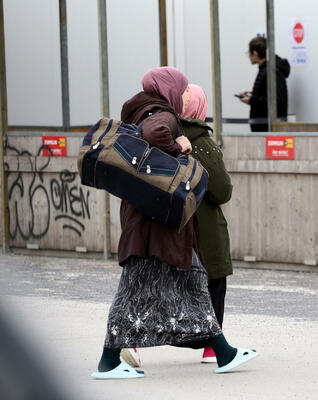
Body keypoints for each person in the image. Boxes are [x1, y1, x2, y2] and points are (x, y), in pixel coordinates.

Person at [91, 67, 257, 379]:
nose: (183, 98)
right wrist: (180, 145)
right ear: (167, 90)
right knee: (135, 290)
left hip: (150, 218)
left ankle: (223, 353)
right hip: (155, 223)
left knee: (191, 281)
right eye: (180, 90)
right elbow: (156, 135)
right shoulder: (161, 114)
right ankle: (108, 361)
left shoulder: (138, 110)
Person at [178, 84, 234, 363]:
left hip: (173, 227)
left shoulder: (164, 137)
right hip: (205, 228)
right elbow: (222, 190)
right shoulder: (201, 142)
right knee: (214, 282)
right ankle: (212, 346)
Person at [237, 36, 290, 131]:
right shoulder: (266, 69)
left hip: (269, 130)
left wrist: (252, 100)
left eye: (249, 53)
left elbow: (276, 101)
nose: (248, 56)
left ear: (255, 53)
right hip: (265, 128)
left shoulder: (272, 71)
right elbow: (266, 95)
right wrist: (251, 95)